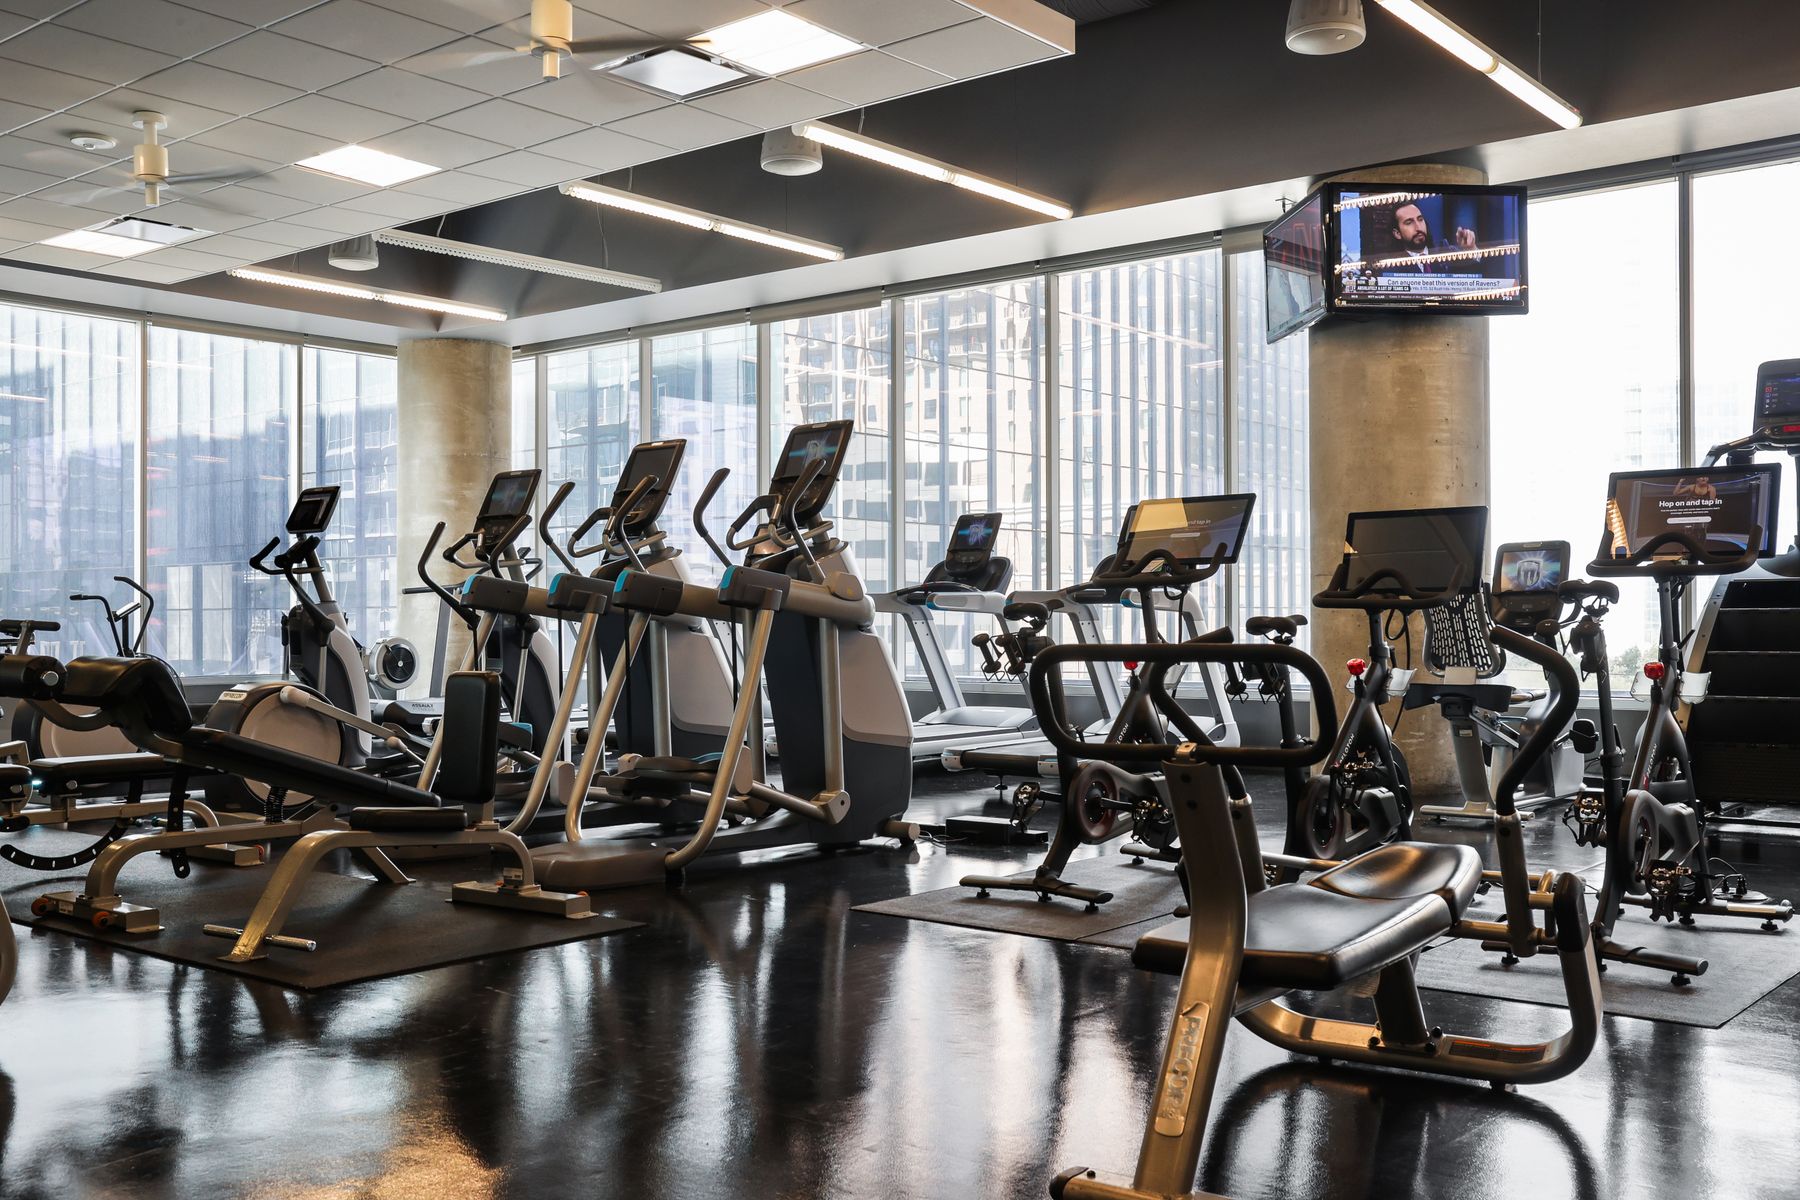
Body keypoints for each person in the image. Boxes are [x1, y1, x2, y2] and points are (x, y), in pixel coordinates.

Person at [1378, 201, 1477, 273]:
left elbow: (1478, 272)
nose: (1418, 227)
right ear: (1397, 234)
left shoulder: (1445, 252)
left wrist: (1471, 249)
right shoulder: (1391, 267)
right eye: (1409, 222)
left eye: (1420, 219)